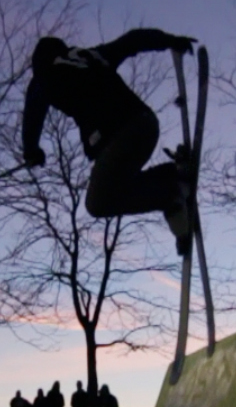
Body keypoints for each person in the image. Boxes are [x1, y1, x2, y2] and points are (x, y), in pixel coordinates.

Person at [22, 29, 199, 255]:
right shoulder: (93, 56)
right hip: (145, 125)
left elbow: (33, 112)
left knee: (99, 202)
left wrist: (31, 150)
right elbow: (130, 41)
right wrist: (169, 40)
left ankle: (170, 184)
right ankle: (168, 191)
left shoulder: (44, 75)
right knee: (116, 189)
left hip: (120, 136)